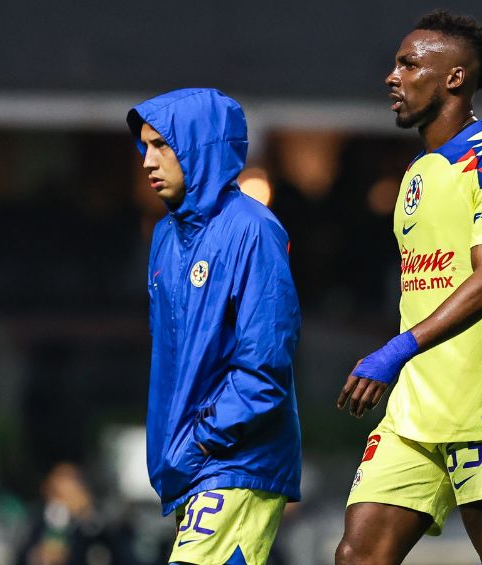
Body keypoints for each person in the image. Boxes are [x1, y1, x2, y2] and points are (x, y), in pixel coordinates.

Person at [334, 10, 482, 565]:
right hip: (414, 412)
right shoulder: (419, 170)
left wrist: (396, 349)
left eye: (408, 63)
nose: (392, 76)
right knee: (357, 557)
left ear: (453, 78)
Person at [128, 88, 302, 565]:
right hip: (192, 465)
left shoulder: (253, 229)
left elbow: (264, 367)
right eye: (145, 146)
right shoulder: (164, 236)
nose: (148, 160)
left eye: (162, 145)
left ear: (199, 146)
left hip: (237, 460)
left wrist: (200, 440)